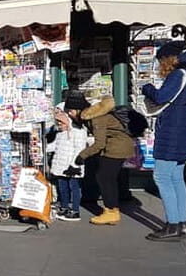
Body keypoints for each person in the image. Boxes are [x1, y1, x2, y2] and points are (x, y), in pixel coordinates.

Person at [142, 41, 186, 241]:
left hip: (173, 132)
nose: (160, 65)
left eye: (161, 61)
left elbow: (161, 97)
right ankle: (183, 224)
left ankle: (173, 224)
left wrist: (147, 88)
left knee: (162, 176)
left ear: (169, 59)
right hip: (185, 130)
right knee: (176, 177)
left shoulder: (178, 74)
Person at [74, 96, 135, 225]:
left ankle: (111, 211)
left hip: (117, 148)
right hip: (117, 146)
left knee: (104, 177)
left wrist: (82, 155)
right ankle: (112, 209)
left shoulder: (97, 118)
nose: (70, 114)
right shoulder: (97, 115)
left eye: (71, 111)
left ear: (78, 110)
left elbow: (99, 143)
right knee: (107, 178)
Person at [49, 91, 92, 222]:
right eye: (58, 123)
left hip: (73, 166)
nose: (59, 125)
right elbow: (55, 146)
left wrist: (74, 165)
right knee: (62, 187)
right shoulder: (60, 133)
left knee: (74, 188)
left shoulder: (78, 132)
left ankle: (75, 210)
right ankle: (64, 206)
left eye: (61, 122)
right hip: (61, 165)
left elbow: (79, 149)